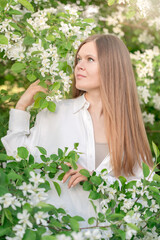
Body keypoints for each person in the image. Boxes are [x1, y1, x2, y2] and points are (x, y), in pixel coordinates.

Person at [1, 34, 153, 225]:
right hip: (55, 232)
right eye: (78, 59)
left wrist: (96, 180)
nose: (79, 66)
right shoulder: (54, 112)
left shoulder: (129, 129)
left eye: (90, 59)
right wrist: (21, 106)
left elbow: (143, 193)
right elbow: (19, 161)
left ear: (112, 67)